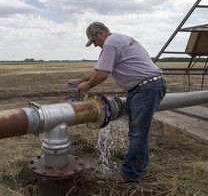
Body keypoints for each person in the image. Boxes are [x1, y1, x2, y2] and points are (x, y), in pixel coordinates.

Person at [68, 22, 167, 182]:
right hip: (146, 87)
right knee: (138, 131)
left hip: (146, 88)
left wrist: (89, 85)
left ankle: (130, 173)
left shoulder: (110, 44)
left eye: (93, 41)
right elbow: (98, 70)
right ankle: (141, 165)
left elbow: (102, 74)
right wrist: (79, 80)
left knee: (137, 133)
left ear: (100, 33)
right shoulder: (118, 39)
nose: (94, 45)